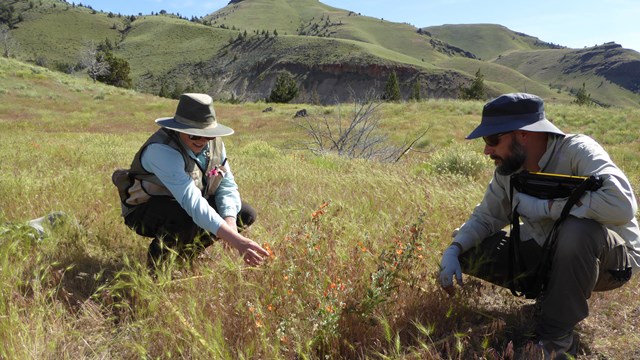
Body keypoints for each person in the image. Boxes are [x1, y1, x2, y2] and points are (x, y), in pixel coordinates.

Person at [437, 93, 640, 359]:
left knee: (576, 231)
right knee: (468, 242)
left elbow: (622, 205)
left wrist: (547, 208)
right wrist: (454, 249)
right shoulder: (508, 171)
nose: (487, 150)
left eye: (492, 140)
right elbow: (485, 217)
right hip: (549, 254)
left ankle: (557, 339)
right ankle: (551, 298)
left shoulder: (578, 151)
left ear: (523, 135)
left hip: (611, 262)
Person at [116, 93, 269, 268]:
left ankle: (186, 255)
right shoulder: (161, 150)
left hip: (184, 204)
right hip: (143, 210)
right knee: (186, 216)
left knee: (244, 213)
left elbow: (226, 185)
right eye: (194, 135)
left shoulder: (215, 144)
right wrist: (236, 240)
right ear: (179, 129)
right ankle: (157, 268)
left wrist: (230, 224)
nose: (203, 140)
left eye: (208, 135)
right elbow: (192, 202)